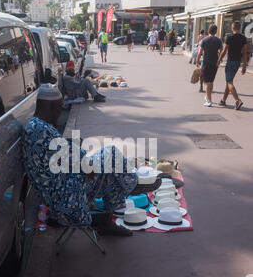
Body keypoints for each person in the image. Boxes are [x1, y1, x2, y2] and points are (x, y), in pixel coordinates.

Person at [23, 84, 162, 237]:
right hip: (66, 192)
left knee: (111, 175)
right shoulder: (40, 130)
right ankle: (132, 183)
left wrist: (83, 162)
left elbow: (64, 153)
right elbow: (70, 153)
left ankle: (107, 222)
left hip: (63, 185)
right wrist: (86, 164)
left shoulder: (35, 125)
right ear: (49, 106)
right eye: (58, 106)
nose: (60, 110)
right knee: (112, 153)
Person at [217, 21, 247, 111]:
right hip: (238, 62)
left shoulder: (229, 37)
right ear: (239, 28)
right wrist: (244, 65)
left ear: (232, 28)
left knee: (229, 82)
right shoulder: (243, 38)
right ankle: (223, 100)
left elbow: (224, 50)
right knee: (229, 81)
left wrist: (219, 60)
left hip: (230, 62)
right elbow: (245, 52)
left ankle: (237, 100)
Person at [196, 24, 223, 107]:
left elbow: (200, 52)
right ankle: (207, 96)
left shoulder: (204, 40)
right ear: (216, 31)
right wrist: (219, 60)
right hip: (215, 63)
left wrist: (197, 60)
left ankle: (209, 100)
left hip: (206, 62)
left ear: (208, 31)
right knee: (210, 81)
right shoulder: (218, 40)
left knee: (207, 82)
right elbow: (222, 51)